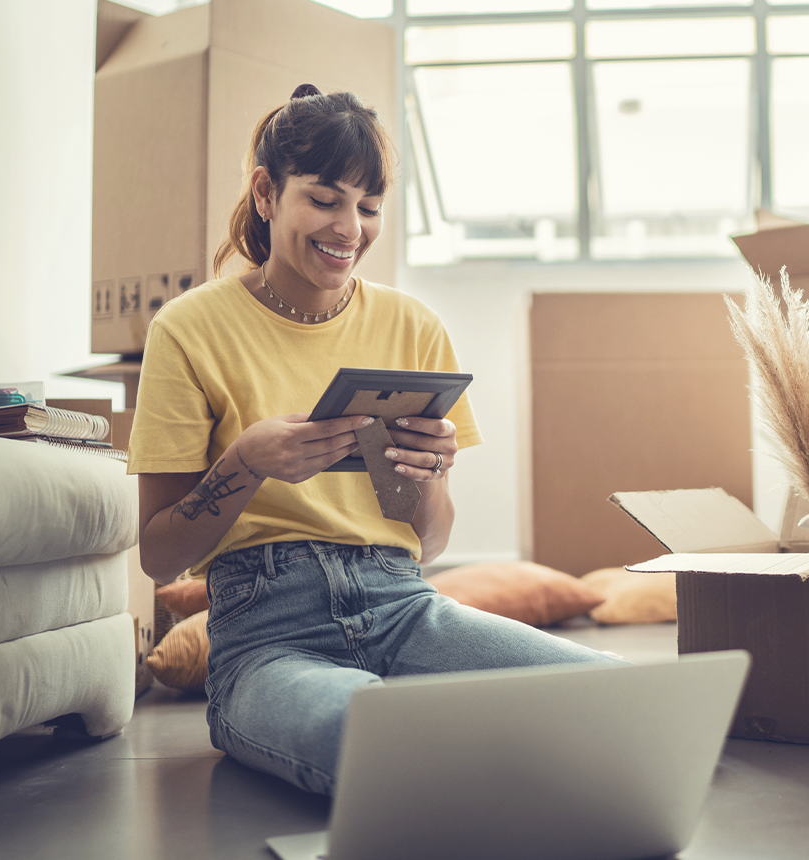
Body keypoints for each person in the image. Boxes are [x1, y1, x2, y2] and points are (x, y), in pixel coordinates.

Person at [128, 84, 619, 796]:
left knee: (616, 699)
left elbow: (432, 543)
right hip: (268, 634)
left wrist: (422, 477)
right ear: (266, 194)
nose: (349, 228)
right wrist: (245, 463)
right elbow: (159, 555)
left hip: (402, 605)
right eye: (325, 200)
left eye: (368, 207)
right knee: (375, 737)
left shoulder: (413, 326)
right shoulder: (187, 329)